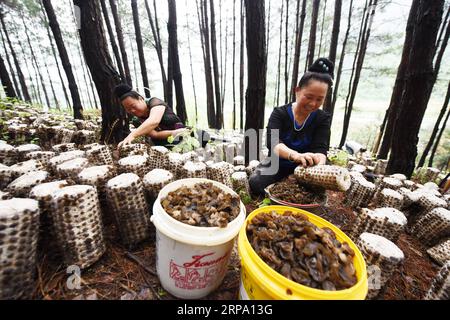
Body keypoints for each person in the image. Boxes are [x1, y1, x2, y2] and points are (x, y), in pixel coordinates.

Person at [249, 58, 334, 196]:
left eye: (320, 99)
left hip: (306, 167)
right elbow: (274, 143)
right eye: (309, 97)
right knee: (256, 183)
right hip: (278, 163)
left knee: (317, 192)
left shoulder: (322, 119)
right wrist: (295, 155)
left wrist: (318, 164)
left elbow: (320, 148)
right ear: (297, 91)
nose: (313, 104)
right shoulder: (280, 113)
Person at [114, 84, 189, 149]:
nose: (132, 111)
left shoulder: (154, 102)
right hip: (164, 146)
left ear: (141, 99)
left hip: (185, 135)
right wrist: (175, 132)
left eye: (133, 106)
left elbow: (154, 121)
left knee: (199, 136)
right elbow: (155, 134)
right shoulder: (136, 120)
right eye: (128, 109)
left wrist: (132, 135)